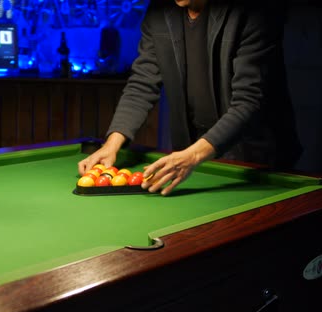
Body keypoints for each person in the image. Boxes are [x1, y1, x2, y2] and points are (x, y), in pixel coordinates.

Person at [78, 0, 301, 196]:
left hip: (254, 160)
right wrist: (112, 143)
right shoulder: (159, 10)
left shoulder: (254, 9)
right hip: (191, 154)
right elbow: (142, 83)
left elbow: (249, 102)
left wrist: (192, 156)